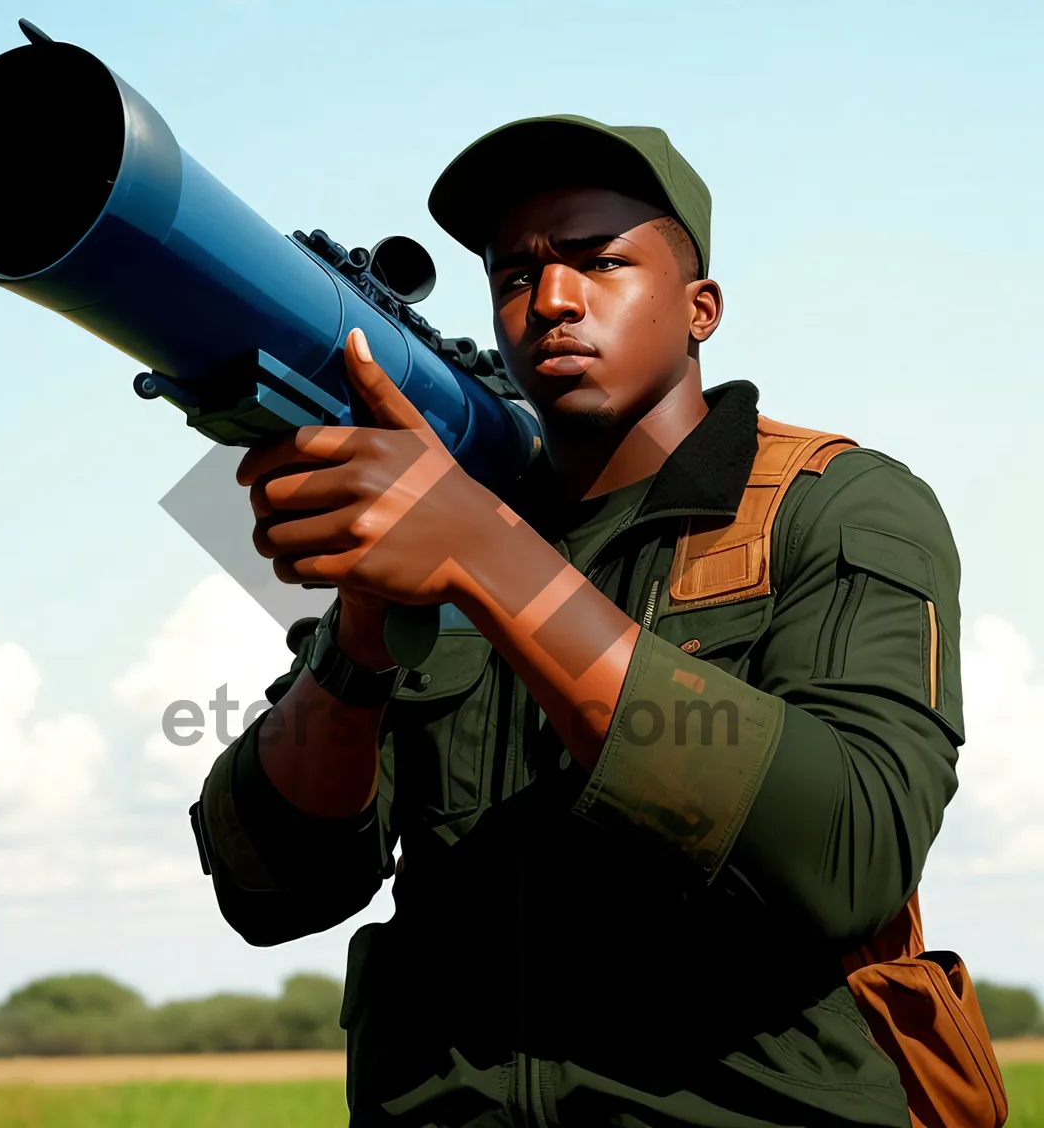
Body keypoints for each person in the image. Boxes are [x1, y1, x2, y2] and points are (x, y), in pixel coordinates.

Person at [194, 116, 968, 1127]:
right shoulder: (451, 535)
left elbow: (850, 858)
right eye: (514, 274)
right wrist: (359, 642)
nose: (550, 300)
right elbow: (271, 891)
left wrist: (492, 560)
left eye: (600, 262)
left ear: (701, 308)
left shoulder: (839, 505)